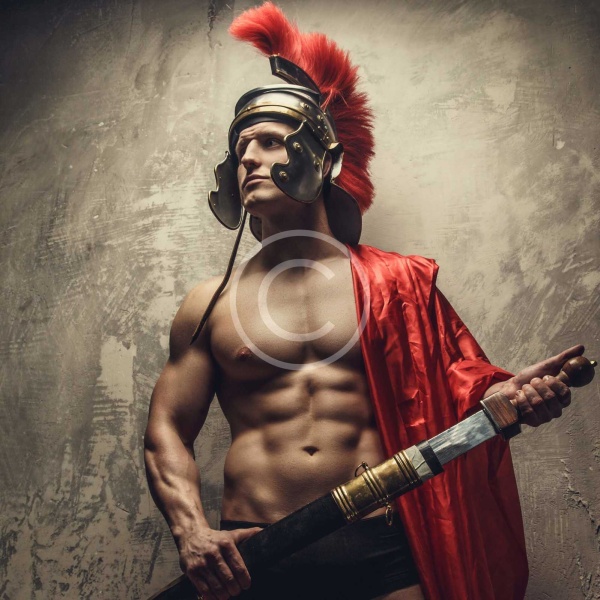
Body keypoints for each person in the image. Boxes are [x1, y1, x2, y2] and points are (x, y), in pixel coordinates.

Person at [144, 4, 582, 600]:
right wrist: (191, 531)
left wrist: (509, 398)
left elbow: (461, 390)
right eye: (241, 148)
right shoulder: (210, 304)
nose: (247, 159)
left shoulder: (398, 283)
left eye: (269, 142)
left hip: (382, 543)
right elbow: (167, 429)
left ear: (321, 160)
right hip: (258, 552)